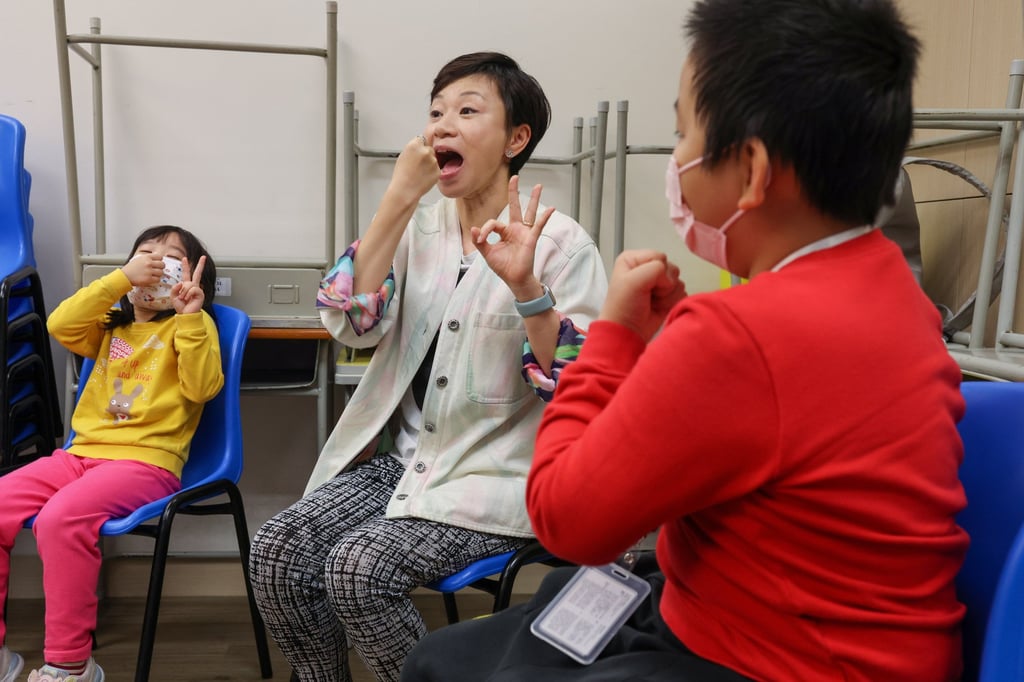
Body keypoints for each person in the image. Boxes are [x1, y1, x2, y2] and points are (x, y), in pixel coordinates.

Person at [402, 2, 968, 681]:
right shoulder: (893, 290)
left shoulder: (737, 333)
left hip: (775, 660)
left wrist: (611, 337)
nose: (676, 160)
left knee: (458, 660)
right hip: (832, 635)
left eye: (683, 134)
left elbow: (566, 521)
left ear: (752, 171)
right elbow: (778, 405)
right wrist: (674, 339)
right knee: (499, 634)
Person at [248, 51, 607, 682]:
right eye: (436, 112)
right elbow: (350, 322)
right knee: (276, 552)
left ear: (515, 139)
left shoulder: (561, 243)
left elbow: (580, 383)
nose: (442, 125)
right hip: (404, 464)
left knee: (358, 571)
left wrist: (527, 289)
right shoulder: (416, 226)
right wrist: (397, 197)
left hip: (495, 477)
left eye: (467, 110)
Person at [0, 225, 221, 682]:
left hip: (146, 463)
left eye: (170, 260)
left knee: (61, 519)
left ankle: (71, 665)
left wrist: (191, 316)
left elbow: (203, 387)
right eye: (146, 256)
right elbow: (60, 324)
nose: (155, 264)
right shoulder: (107, 329)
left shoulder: (193, 328)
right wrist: (121, 279)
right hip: (78, 456)